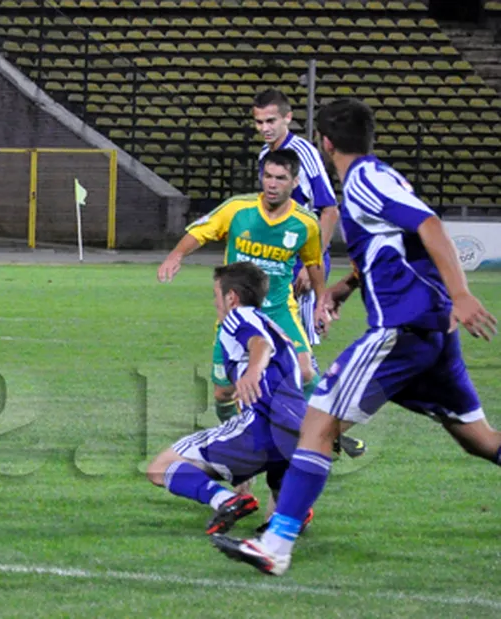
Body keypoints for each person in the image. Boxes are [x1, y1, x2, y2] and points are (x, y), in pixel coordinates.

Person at [212, 98, 499, 576]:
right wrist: (345, 287)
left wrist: (462, 293)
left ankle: (276, 544)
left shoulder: (365, 179)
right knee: (478, 439)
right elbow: (398, 245)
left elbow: (429, 226)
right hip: (430, 336)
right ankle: (278, 537)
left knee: (317, 426)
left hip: (401, 331)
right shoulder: (378, 177)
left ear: (324, 145)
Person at [158, 149, 329, 421]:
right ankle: (234, 431)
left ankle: (322, 428)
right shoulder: (238, 208)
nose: (272, 184)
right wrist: (176, 254)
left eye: (281, 178)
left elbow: (314, 263)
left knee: (305, 370)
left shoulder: (306, 223)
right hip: (235, 313)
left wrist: (322, 302)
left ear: (295, 182)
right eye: (268, 176)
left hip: (278, 310)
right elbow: (201, 231)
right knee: (223, 393)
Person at [146, 262, 313, 536]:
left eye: (216, 295)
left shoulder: (239, 317)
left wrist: (252, 372)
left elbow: (260, 344)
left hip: (262, 428)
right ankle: (292, 511)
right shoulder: (277, 328)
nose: (215, 303)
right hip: (298, 434)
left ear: (231, 297)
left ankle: (227, 500)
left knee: (159, 468)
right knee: (277, 509)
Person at [253, 89, 340, 356]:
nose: (265, 128)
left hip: (303, 262)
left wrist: (311, 264)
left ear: (287, 118)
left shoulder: (304, 153)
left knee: (300, 342)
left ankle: (313, 396)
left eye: (271, 121)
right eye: (259, 122)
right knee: (273, 341)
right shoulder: (263, 157)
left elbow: (329, 210)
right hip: (276, 261)